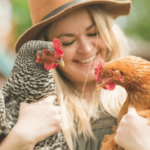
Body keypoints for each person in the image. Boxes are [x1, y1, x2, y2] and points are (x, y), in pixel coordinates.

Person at [1, 0, 150, 150]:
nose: (86, 49)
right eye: (68, 42)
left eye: (93, 33)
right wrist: (18, 139)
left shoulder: (140, 104)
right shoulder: (25, 112)